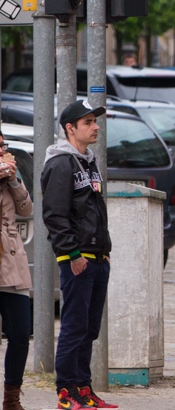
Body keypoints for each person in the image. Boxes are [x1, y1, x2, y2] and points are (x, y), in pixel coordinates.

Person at [42, 101, 116, 410]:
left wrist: (105, 251)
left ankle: (83, 388)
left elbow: (95, 210)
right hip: (77, 258)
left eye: (95, 121)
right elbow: (55, 216)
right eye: (88, 122)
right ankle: (66, 392)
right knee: (73, 326)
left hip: (97, 256)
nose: (96, 126)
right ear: (70, 128)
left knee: (89, 327)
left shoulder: (88, 162)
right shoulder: (61, 164)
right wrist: (73, 254)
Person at [0, 130, 32, 410]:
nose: (2, 152)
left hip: (11, 262)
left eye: (3, 146)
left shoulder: (8, 179)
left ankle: (11, 399)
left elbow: (26, 208)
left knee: (21, 333)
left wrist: (13, 180)